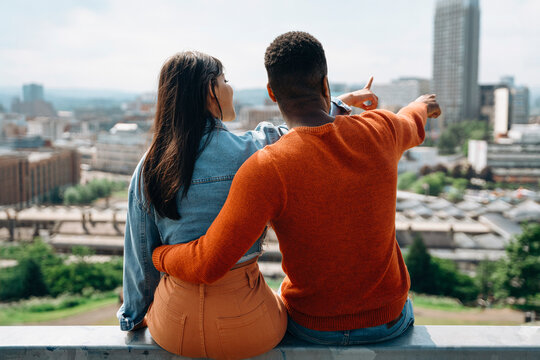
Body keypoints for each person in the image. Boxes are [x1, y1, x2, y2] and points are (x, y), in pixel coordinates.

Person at [152, 31, 442, 347]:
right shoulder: (382, 130)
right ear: (325, 84)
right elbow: (410, 120)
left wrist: (160, 255)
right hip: (387, 321)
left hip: (312, 326)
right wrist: (422, 105)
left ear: (271, 94)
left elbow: (208, 263)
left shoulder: (267, 167)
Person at [118, 50, 378, 359]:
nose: (231, 88)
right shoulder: (258, 148)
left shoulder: (149, 167)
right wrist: (343, 101)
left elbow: (140, 257)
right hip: (247, 324)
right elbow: (306, 120)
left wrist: (133, 318)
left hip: (173, 326)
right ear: (210, 91)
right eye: (224, 80)